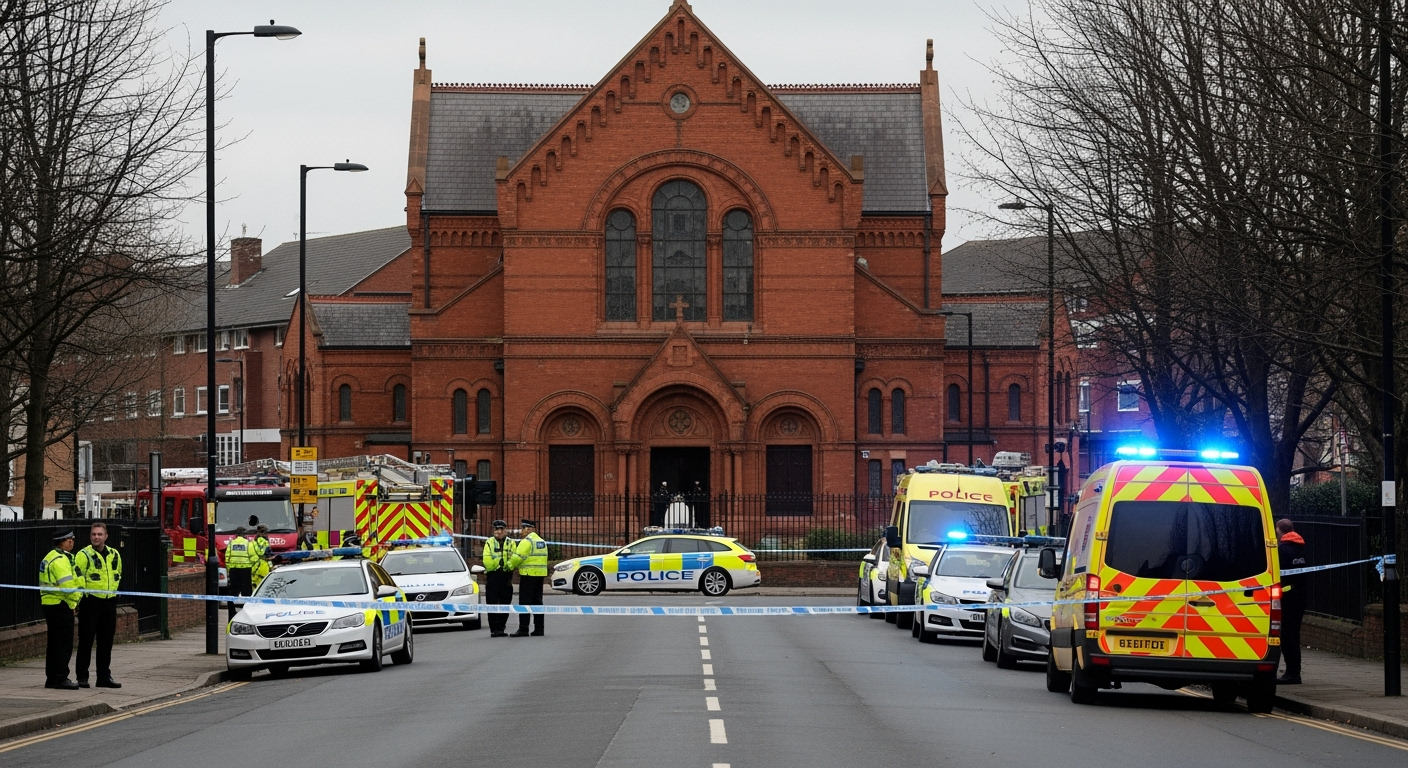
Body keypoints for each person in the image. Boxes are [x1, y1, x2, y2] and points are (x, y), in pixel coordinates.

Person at [74, 521, 122, 689]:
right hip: (90, 602)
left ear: (106, 536)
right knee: (86, 641)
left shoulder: (115, 554)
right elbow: (77, 579)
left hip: (109, 602)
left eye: (99, 534)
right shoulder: (83, 555)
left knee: (106, 641)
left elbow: (118, 575)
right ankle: (82, 677)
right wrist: (77, 602)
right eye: (94, 534)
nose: (96, 537)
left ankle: (103, 677)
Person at [40, 530, 81, 690]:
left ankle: (53, 677)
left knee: (54, 643)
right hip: (60, 604)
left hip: (51, 604)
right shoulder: (60, 560)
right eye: (69, 539)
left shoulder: (50, 556)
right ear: (61, 542)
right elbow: (68, 587)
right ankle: (60, 678)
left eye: (72, 539)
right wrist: (74, 603)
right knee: (63, 644)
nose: (72, 541)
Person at [1277, 518, 1308, 684]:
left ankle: (1292, 673)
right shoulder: (1299, 549)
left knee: (1288, 636)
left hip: (1288, 599)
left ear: (1280, 531)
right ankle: (1294, 671)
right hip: (1300, 597)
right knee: (1294, 635)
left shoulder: (1283, 550)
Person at [481, 520, 520, 637]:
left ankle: (501, 627)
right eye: (497, 529)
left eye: (501, 529)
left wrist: (507, 565)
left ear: (505, 530)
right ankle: (494, 629)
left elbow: (514, 557)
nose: (499, 532)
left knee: (505, 602)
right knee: (492, 603)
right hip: (493, 575)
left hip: (506, 576)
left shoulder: (511, 543)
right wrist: (498, 564)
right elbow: (487, 560)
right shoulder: (489, 542)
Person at [511, 519, 548, 637]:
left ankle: (523, 629)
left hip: (528, 575)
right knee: (538, 602)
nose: (521, 531)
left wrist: (510, 566)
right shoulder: (541, 542)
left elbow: (517, 558)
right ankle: (539, 629)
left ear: (528, 529)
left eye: (523, 528)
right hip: (540, 575)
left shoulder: (526, 542)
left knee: (524, 602)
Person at [224, 526, 254, 619]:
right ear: (245, 534)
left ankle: (231, 614)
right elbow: (253, 557)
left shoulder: (231, 543)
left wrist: (230, 568)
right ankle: (247, 614)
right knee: (247, 593)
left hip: (234, 570)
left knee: (233, 593)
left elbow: (227, 557)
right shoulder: (248, 543)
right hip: (246, 570)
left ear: (236, 534)